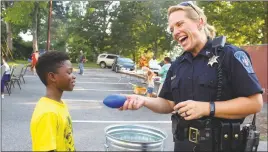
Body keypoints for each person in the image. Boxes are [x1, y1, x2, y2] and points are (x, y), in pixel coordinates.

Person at [118, 2, 263, 152]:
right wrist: (144, 100)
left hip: (221, 146)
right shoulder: (177, 65)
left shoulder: (229, 55)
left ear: (200, 22)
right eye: (172, 29)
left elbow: (255, 103)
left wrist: (207, 108)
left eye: (180, 24)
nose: (175, 32)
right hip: (183, 145)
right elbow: (168, 103)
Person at [30, 51, 76, 151]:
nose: (73, 76)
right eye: (69, 72)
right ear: (52, 77)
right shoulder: (48, 114)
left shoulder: (59, 104)